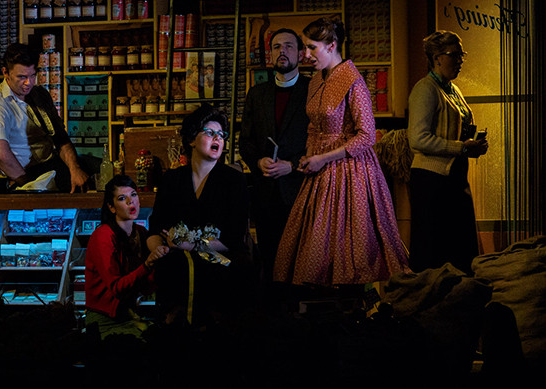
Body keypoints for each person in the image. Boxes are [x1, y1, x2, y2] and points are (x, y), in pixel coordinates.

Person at [274, 17, 409, 290]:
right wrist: (311, 155)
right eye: (306, 48)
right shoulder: (315, 82)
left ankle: (355, 305)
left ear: (332, 45)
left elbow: (368, 136)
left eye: (312, 48)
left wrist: (324, 157)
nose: (306, 55)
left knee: (350, 243)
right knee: (315, 244)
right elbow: (313, 125)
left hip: (350, 170)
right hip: (318, 169)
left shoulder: (353, 81)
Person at [147, 105, 253, 325]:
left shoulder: (233, 181)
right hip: (176, 273)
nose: (218, 138)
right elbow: (156, 228)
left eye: (222, 135)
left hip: (221, 275)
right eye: (210, 133)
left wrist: (193, 245)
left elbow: (233, 238)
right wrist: (158, 248)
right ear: (191, 139)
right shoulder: (171, 180)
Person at [407, 30, 488, 274]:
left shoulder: (453, 90)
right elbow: (417, 139)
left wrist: (471, 144)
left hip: (453, 178)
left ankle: (459, 304)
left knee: (460, 249)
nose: (460, 60)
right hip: (432, 181)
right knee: (434, 251)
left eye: (461, 54)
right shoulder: (425, 89)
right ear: (436, 57)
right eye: (455, 55)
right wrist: (461, 147)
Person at [239, 28, 310, 288]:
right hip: (266, 193)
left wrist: (291, 165)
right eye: (277, 47)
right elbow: (245, 141)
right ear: (270, 55)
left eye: (289, 46)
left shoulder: (314, 90)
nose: (283, 51)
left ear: (301, 54)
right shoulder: (257, 94)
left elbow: (322, 141)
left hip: (301, 189)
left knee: (301, 262)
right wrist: (258, 162)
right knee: (270, 263)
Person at [0, 43, 89, 192]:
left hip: (54, 169)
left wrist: (74, 169)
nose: (28, 83)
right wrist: (29, 185)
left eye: (32, 75)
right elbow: (0, 154)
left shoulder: (40, 94)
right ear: (5, 73)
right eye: (21, 77)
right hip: (25, 176)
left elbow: (61, 138)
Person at [84, 175, 169, 340]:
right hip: (104, 319)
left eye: (134, 195)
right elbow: (116, 287)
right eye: (122, 198)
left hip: (129, 314)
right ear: (111, 207)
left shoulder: (141, 233)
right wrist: (148, 263)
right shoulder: (104, 235)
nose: (131, 202)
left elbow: (145, 287)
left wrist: (165, 253)